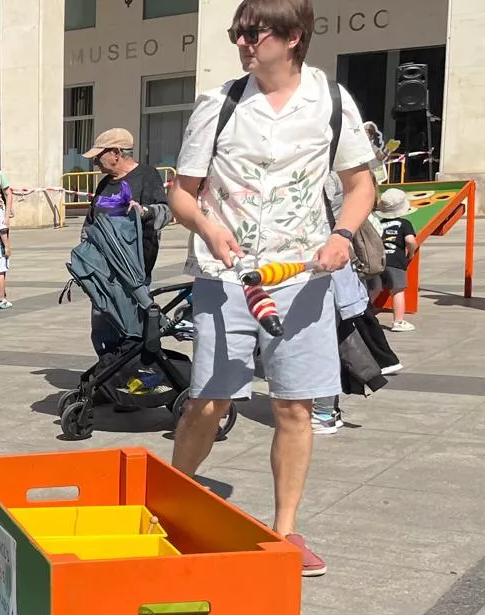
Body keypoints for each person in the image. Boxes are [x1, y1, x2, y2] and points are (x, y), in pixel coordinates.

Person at [169, 0, 376, 578]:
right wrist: (208, 226)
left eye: (251, 33)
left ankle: (286, 532)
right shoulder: (220, 103)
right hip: (226, 276)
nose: (240, 42)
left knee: (295, 406)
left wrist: (342, 235)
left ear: (291, 37)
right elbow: (181, 192)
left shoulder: (332, 102)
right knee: (209, 402)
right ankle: (168, 504)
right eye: (237, 32)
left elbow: (361, 186)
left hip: (301, 278)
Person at [82, 128, 169, 274]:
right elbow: (90, 222)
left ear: (116, 153)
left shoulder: (147, 175)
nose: (95, 161)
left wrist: (143, 211)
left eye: (98, 155)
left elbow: (166, 212)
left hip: (133, 267)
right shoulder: (104, 183)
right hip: (102, 267)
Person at [374, 187, 418, 332]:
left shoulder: (378, 223)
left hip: (378, 261)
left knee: (373, 290)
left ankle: (362, 316)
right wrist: (411, 253)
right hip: (396, 262)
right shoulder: (405, 224)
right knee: (397, 291)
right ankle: (398, 322)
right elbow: (410, 241)